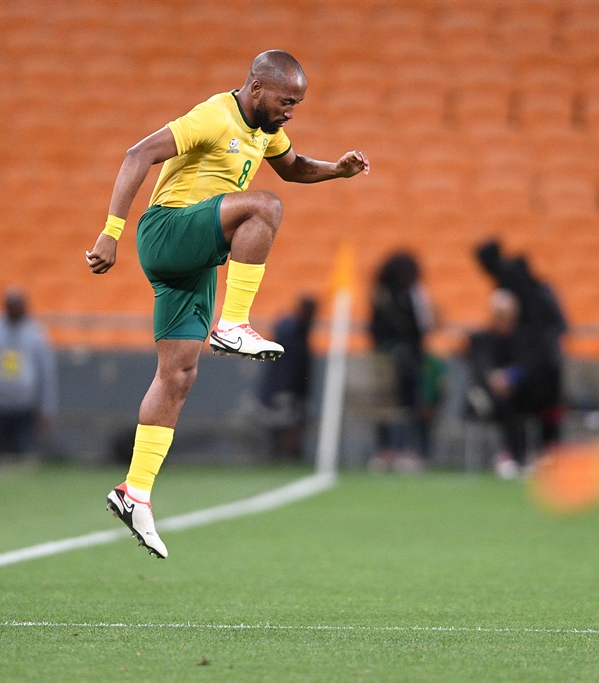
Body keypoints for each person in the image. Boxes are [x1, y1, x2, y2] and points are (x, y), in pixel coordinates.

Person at [86, 49, 369, 558]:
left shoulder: (265, 128)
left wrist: (336, 171)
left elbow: (293, 167)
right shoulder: (214, 115)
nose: (290, 112)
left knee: (178, 374)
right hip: (166, 230)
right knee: (264, 207)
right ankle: (233, 322)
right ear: (256, 89)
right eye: (286, 101)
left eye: (297, 104)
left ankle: (135, 491)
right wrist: (111, 232)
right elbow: (137, 154)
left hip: (192, 258)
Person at [475, 239, 567, 451]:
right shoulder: (530, 287)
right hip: (529, 373)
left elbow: (545, 343)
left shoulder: (521, 289)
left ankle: (543, 453)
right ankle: (524, 454)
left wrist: (513, 374)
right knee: (512, 403)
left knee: (546, 409)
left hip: (540, 370)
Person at [466, 289, 562, 479]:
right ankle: (513, 455)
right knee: (505, 401)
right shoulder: (482, 339)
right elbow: (481, 365)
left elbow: (530, 364)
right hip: (490, 398)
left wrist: (512, 376)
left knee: (546, 395)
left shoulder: (524, 338)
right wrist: (494, 377)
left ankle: (542, 454)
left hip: (521, 394)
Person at [0, 286, 57, 460]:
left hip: (24, 406)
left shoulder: (36, 334)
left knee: (22, 455)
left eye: (18, 304)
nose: (15, 308)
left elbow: (46, 373)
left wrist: (45, 407)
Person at [366, 251, 437, 471]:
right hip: (392, 359)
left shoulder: (412, 293)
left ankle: (407, 449)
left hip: (407, 360)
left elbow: (424, 327)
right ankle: (390, 449)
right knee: (389, 405)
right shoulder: (385, 295)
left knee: (410, 404)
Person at [256, 295, 317, 461]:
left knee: (291, 421)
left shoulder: (299, 329)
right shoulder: (291, 330)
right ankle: (278, 455)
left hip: (290, 387)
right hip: (283, 386)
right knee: (283, 422)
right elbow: (287, 364)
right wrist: (285, 388)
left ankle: (284, 454)